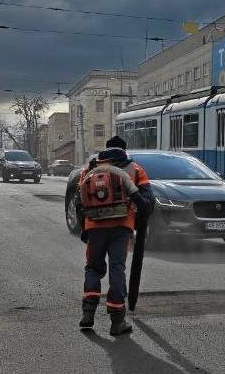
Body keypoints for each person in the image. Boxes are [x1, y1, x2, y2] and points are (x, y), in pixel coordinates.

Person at [78, 135, 153, 336]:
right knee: (117, 268)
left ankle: (88, 313)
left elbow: (80, 201)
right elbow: (148, 201)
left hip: (93, 227)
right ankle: (117, 321)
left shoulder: (90, 169)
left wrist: (84, 230)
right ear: (124, 150)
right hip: (121, 227)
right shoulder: (135, 169)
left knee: (93, 268)